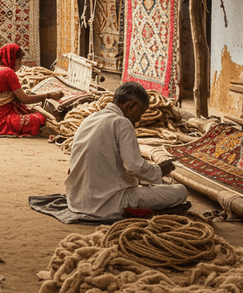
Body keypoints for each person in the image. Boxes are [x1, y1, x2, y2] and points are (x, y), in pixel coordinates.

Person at [65, 81, 188, 219]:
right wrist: (158, 170)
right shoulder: (122, 123)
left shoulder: (90, 119)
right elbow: (134, 167)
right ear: (132, 106)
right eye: (140, 113)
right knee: (180, 191)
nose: (138, 121)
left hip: (76, 200)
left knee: (147, 185)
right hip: (106, 203)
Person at [0, 43, 63, 136]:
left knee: (30, 112)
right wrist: (49, 95)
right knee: (38, 119)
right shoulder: (7, 72)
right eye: (19, 60)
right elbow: (24, 99)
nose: (20, 63)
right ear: (12, 58)